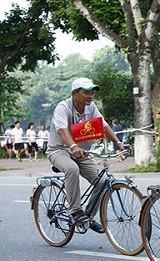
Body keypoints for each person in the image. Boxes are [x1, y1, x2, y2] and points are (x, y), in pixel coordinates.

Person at [46, 77, 125, 233]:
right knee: (72, 169)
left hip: (81, 152)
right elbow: (62, 130)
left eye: (92, 93)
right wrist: (73, 146)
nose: (90, 96)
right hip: (59, 150)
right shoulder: (63, 107)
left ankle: (87, 217)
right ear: (75, 93)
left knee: (102, 181)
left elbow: (103, 125)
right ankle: (75, 211)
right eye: (86, 93)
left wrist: (118, 143)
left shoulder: (91, 107)